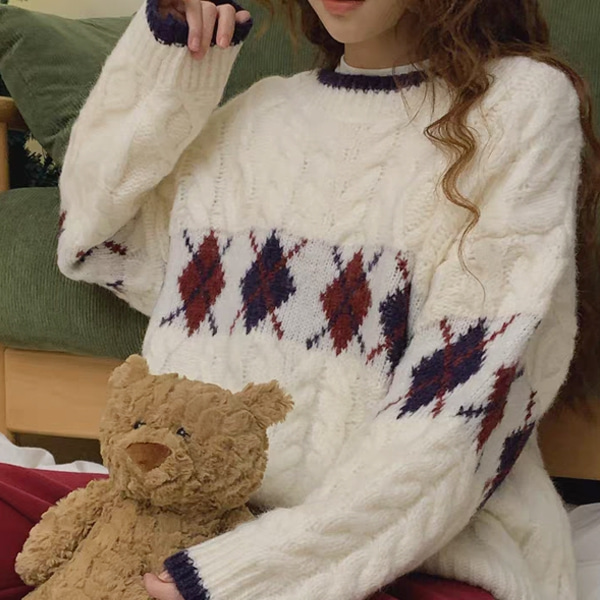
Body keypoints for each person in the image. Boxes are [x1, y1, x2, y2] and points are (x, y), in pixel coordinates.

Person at [2, 0, 599, 599]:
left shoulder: (519, 103)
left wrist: (250, 572)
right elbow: (93, 241)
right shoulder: (260, 111)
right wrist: (169, 56)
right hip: (175, 512)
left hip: (405, 552)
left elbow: (462, 403)